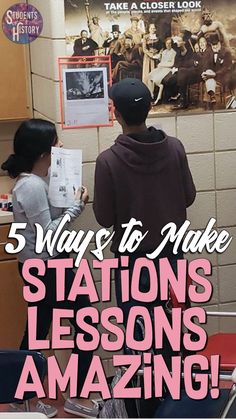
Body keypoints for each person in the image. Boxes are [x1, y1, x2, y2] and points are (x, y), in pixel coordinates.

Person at [1, 119, 98, 418]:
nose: (60, 148)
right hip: (48, 270)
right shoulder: (30, 185)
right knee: (85, 327)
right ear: (43, 152)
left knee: (38, 334)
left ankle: (19, 398)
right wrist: (75, 208)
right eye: (56, 144)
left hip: (45, 268)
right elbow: (49, 234)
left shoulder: (38, 180)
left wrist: (67, 200)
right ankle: (77, 397)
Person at [93, 78, 196, 334]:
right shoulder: (175, 148)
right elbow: (189, 197)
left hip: (132, 262)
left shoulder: (108, 161)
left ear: (117, 114)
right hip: (172, 256)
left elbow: (104, 218)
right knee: (174, 332)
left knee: (139, 337)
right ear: (149, 109)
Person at [202, 34, 232, 104]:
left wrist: (215, 74)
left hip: (222, 75)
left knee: (209, 78)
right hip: (210, 75)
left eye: (216, 44)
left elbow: (226, 68)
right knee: (208, 75)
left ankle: (210, 96)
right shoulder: (208, 51)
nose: (215, 46)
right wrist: (204, 72)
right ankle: (212, 95)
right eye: (213, 45)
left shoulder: (226, 52)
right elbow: (205, 64)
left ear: (219, 43)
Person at [147, 37, 176, 104]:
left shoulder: (173, 52)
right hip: (161, 68)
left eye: (170, 43)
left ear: (171, 44)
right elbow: (162, 61)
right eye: (167, 43)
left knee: (157, 79)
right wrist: (159, 58)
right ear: (165, 44)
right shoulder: (164, 52)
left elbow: (172, 64)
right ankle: (151, 95)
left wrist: (162, 65)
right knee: (150, 76)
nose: (168, 45)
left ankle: (158, 98)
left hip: (167, 69)